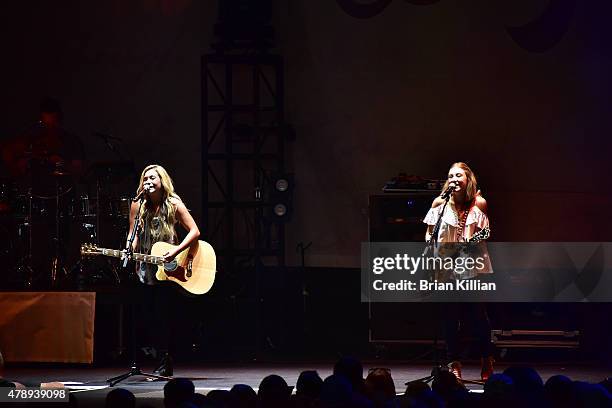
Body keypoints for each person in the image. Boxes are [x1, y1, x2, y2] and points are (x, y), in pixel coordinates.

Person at [423, 162, 494, 381]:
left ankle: (486, 358)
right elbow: (428, 234)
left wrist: (471, 242)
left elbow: (486, 232)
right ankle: (453, 363)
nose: (454, 178)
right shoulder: (440, 202)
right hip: (446, 268)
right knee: (449, 318)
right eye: (450, 175)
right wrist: (436, 248)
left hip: (472, 267)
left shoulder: (478, 203)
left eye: (459, 175)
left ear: (468, 178)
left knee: (476, 317)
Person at [127, 164, 201, 376]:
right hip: (146, 266)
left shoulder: (174, 203)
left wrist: (176, 250)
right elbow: (132, 234)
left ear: (162, 181)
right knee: (148, 314)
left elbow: (194, 231)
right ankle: (157, 359)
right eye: (145, 178)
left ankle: (164, 361)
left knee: (162, 315)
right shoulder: (137, 205)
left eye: (152, 178)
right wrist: (130, 251)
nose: (148, 181)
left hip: (170, 265)